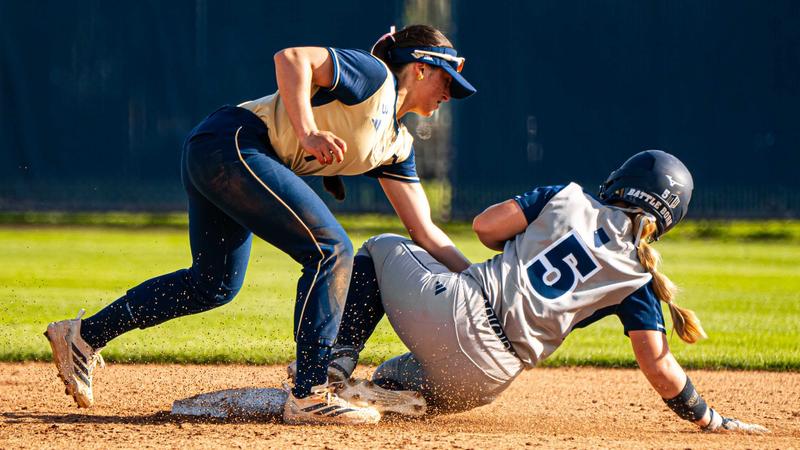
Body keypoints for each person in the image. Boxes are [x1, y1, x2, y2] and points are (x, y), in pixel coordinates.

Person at [44, 24, 476, 425]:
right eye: (446, 82)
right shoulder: (374, 77)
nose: (449, 95)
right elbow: (291, 58)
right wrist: (308, 132)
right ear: (420, 69)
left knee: (213, 284)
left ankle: (82, 336)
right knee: (331, 250)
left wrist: (478, 279)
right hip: (232, 142)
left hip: (224, 153)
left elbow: (425, 231)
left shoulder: (397, 145)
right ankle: (310, 394)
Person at [317, 150, 769, 432]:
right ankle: (379, 401)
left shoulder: (569, 197)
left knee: (378, 247)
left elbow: (484, 228)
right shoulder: (639, 276)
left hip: (460, 311)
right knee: (396, 376)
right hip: (487, 379)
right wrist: (709, 418)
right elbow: (660, 368)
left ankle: (332, 368)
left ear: (621, 180)